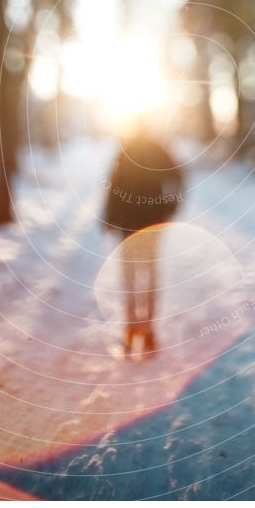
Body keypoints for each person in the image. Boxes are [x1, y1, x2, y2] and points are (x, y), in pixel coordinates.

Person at [102, 127, 183, 356]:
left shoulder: (129, 150)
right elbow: (178, 175)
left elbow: (113, 185)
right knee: (145, 273)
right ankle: (143, 330)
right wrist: (170, 206)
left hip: (136, 222)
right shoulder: (157, 149)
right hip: (148, 221)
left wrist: (109, 216)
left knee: (133, 275)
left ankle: (136, 330)